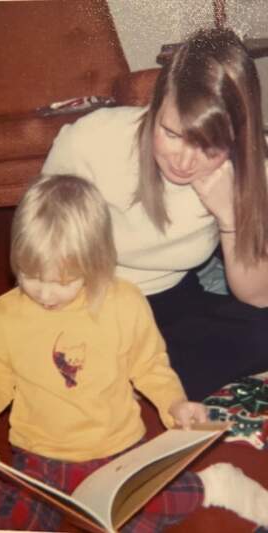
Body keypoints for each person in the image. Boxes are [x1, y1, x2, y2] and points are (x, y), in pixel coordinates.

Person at [0, 174, 268, 531]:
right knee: (0, 520)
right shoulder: (6, 313)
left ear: (95, 262)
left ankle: (214, 484)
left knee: (139, 514)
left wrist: (175, 405)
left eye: (63, 282)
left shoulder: (124, 302)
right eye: (30, 276)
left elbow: (151, 367)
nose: (45, 294)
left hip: (117, 451)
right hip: (37, 454)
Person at [41, 27, 268, 401]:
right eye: (171, 133)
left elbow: (257, 296)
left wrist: (230, 215)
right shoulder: (90, 140)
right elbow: (40, 249)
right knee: (56, 356)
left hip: (173, 299)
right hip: (90, 297)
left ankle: (129, 375)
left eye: (208, 146)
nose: (183, 160)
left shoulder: (249, 165)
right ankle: (134, 374)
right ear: (155, 105)